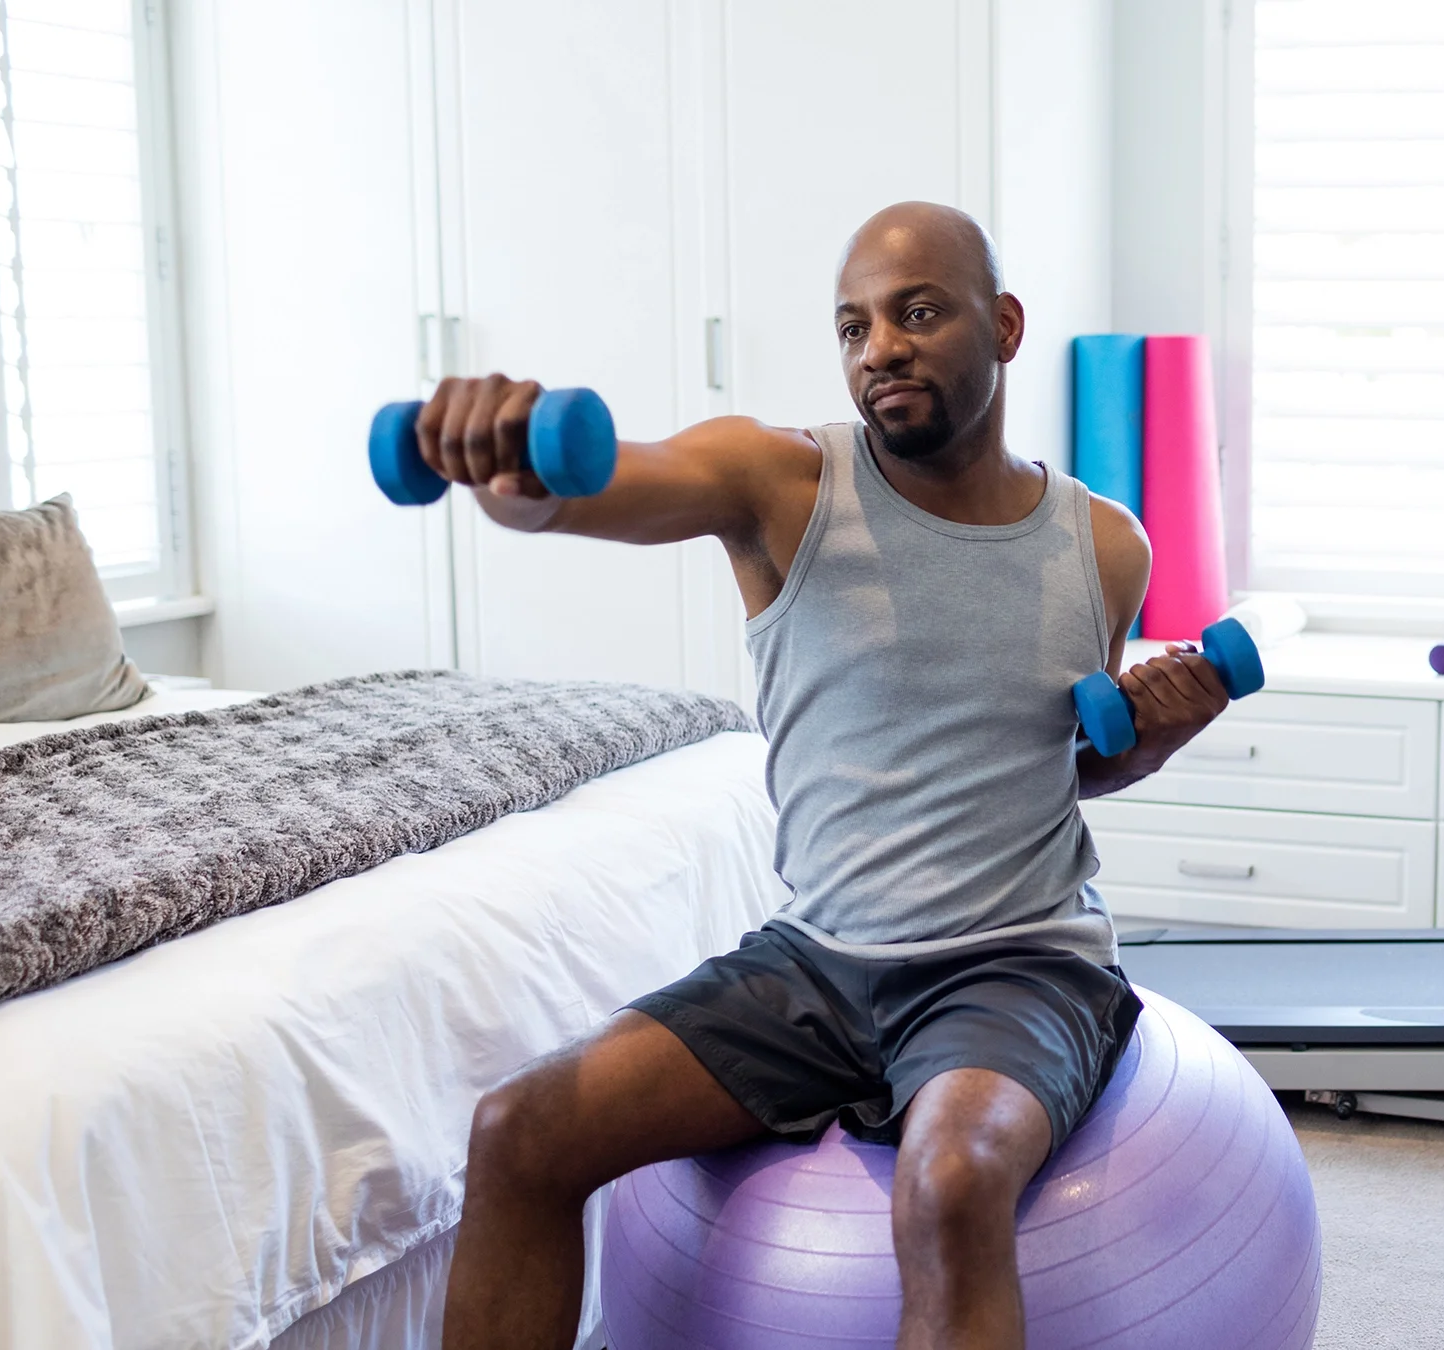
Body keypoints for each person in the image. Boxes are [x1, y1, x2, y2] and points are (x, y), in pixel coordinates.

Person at [425, 201, 1234, 1350]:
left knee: (950, 1181)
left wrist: (1154, 735)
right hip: (817, 962)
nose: (880, 350)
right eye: (852, 327)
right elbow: (593, 489)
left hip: (1016, 966)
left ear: (1002, 325)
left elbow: (1067, 764)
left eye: (917, 313)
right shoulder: (782, 484)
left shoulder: (1105, 544)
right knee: (519, 1127)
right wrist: (512, 472)